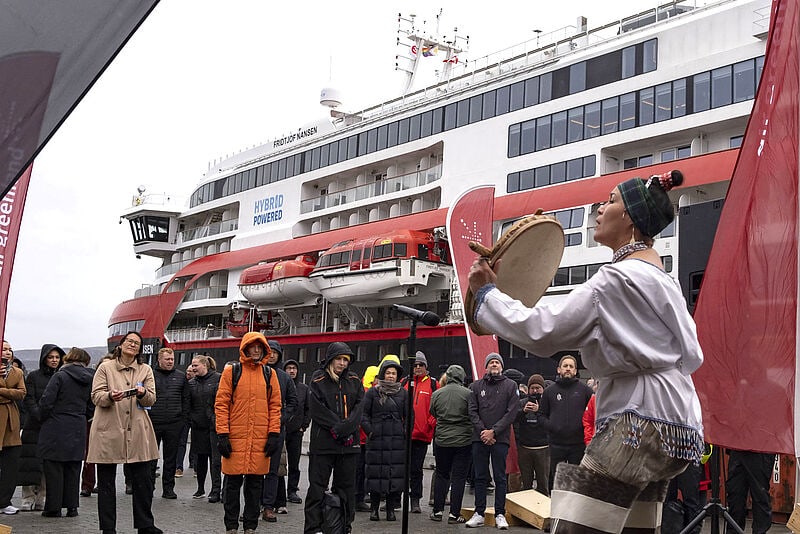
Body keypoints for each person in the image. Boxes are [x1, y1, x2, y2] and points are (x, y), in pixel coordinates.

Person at [469, 170, 704, 533]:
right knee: (634, 528)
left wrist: (487, 293)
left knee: (575, 526)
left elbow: (540, 331)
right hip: (679, 426)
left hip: (634, 423)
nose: (599, 207)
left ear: (629, 218)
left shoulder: (615, 280)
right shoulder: (663, 279)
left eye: (610, 200)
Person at [87, 331, 162, 534]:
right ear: (120, 345)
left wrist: (143, 393)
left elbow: (151, 399)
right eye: (129, 341)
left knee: (143, 481)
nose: (133, 345)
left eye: (137, 343)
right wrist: (110, 396)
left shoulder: (145, 369)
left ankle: (145, 524)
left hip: (138, 429)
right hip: (109, 428)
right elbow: (96, 396)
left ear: (140, 349)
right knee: (106, 483)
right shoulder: (105, 367)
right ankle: (108, 528)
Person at [215, 332, 282, 534]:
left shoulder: (270, 374)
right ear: (245, 348)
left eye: (259, 347)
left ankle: (250, 526)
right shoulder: (231, 372)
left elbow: (275, 406)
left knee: (255, 486)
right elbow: (221, 404)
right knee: (232, 485)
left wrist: (273, 434)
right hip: (235, 438)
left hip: (260, 440)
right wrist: (222, 434)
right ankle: (231, 526)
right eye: (252, 346)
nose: (256, 350)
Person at [303, 342, 364, 534]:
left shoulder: (354, 380)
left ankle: (344, 526)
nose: (342, 363)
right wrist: (338, 428)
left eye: (346, 360)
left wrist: (345, 429)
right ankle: (313, 528)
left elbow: (359, 408)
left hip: (349, 446)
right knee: (317, 488)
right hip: (323, 444)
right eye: (339, 359)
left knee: (346, 488)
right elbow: (317, 409)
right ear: (330, 359)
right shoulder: (318, 380)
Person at [37, 347, 94, 518]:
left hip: (56, 424)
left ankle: (53, 507)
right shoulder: (90, 378)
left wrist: (42, 417)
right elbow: (92, 405)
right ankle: (72, 507)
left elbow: (47, 401)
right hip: (78, 424)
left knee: (54, 467)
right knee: (73, 467)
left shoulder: (60, 376)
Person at [465, 353, 520, 530]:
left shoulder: (511, 386)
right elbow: (472, 411)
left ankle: (499, 513)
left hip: (500, 438)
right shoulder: (475, 386)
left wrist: (493, 431)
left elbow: (511, 412)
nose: (494, 364)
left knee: (500, 477)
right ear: (486, 367)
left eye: (497, 362)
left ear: (501, 366)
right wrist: (483, 432)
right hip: (479, 438)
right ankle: (479, 513)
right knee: (480, 476)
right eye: (491, 362)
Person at [19, 343, 64, 511]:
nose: (54, 360)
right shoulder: (33, 376)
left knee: (48, 464)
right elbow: (28, 398)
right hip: (34, 425)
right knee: (29, 462)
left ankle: (42, 496)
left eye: (57, 357)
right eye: (51, 357)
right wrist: (38, 413)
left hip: (53, 425)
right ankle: (28, 496)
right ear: (44, 358)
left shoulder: (61, 376)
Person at [538, 355, 593, 491]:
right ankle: (556, 510)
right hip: (557, 444)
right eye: (565, 366)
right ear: (559, 369)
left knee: (577, 483)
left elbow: (593, 415)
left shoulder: (585, 391)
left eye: (571, 366)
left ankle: (575, 512)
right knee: (557, 482)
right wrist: (552, 426)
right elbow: (541, 415)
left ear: (575, 371)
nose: (568, 369)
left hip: (578, 445)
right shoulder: (549, 392)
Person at [362, 358, 407, 522]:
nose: (390, 376)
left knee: (393, 475)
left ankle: (390, 509)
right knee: (376, 474)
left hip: (396, 440)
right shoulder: (373, 392)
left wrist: (403, 432)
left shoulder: (403, 393)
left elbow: (409, 416)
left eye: (393, 373)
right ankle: (374, 509)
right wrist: (370, 430)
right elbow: (364, 413)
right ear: (382, 374)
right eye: (388, 373)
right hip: (377, 439)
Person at [429, 364, 471, 524]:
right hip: (463, 440)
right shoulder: (468, 394)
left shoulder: (437, 393)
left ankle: (437, 511)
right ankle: (454, 514)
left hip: (442, 439)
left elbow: (432, 412)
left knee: (442, 474)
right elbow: (472, 413)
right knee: (459, 478)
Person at [261, 340, 297, 522]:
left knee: (273, 470)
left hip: (277, 428)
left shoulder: (285, 377)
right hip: (257, 427)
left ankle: (268, 506)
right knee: (254, 470)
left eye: (276, 352)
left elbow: (293, 402)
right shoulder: (255, 372)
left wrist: (282, 418)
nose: (272, 355)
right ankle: (253, 505)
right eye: (270, 351)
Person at [149, 347, 189, 500]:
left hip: (174, 423)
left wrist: (183, 420)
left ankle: (168, 488)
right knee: (151, 458)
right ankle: (149, 486)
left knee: (170, 458)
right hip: (154, 421)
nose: (170, 362)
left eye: (172, 359)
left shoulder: (181, 376)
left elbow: (186, 399)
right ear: (159, 360)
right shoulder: (151, 375)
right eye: (167, 359)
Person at [401, 351, 437, 514]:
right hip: (404, 435)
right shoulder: (404, 383)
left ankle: (415, 501)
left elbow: (438, 408)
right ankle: (394, 500)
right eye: (415, 365)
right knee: (400, 469)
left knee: (416, 470)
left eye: (420, 365)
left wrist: (430, 424)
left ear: (426, 367)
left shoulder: (433, 384)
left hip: (421, 435)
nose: (417, 368)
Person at [188, 354, 222, 501]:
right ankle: (200, 488)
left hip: (214, 427)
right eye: (192, 365)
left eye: (195, 365)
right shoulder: (191, 383)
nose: (193, 368)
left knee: (215, 460)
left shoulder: (218, 379)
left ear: (204, 365)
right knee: (200, 459)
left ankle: (216, 490)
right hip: (198, 426)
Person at [0, 339, 26, 515]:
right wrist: (10, 393)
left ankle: (4, 501)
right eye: (4, 349)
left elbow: (21, 393)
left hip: (11, 421)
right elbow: (14, 392)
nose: (8, 352)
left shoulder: (17, 372)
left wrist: (1, 391)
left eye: (10, 349)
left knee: (10, 463)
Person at [515, 374, 550, 495]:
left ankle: (543, 511)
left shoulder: (547, 403)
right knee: (526, 485)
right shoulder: (521, 402)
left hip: (543, 448)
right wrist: (523, 411)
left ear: (543, 389)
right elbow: (512, 419)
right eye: (532, 388)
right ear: (528, 389)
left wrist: (539, 411)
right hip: (525, 448)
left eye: (538, 388)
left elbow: (552, 422)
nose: (535, 390)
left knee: (543, 483)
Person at [726, 449, 774, 534]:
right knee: (735, 496)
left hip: (761, 450)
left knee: (760, 496)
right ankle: (734, 531)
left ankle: (760, 532)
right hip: (737, 449)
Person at [283, 358, 310, 505]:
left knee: (295, 462)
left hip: (296, 431)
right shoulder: (281, 385)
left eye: (294, 368)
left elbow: (308, 409)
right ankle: (278, 491)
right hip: (281, 428)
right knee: (279, 463)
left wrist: (303, 426)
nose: (292, 371)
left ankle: (292, 490)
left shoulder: (304, 389)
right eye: (289, 368)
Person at [355, 364, 379, 512]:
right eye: (377, 377)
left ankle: (359, 497)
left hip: (365, 438)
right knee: (360, 470)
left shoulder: (367, 391)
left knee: (363, 470)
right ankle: (358, 498)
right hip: (362, 438)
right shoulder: (366, 392)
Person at [175, 364, 196, 478]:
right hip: (185, 416)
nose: (187, 373)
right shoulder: (183, 383)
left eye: (190, 372)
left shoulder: (196, 384)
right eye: (187, 371)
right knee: (181, 442)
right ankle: (179, 467)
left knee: (196, 442)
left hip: (195, 416)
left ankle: (193, 463)